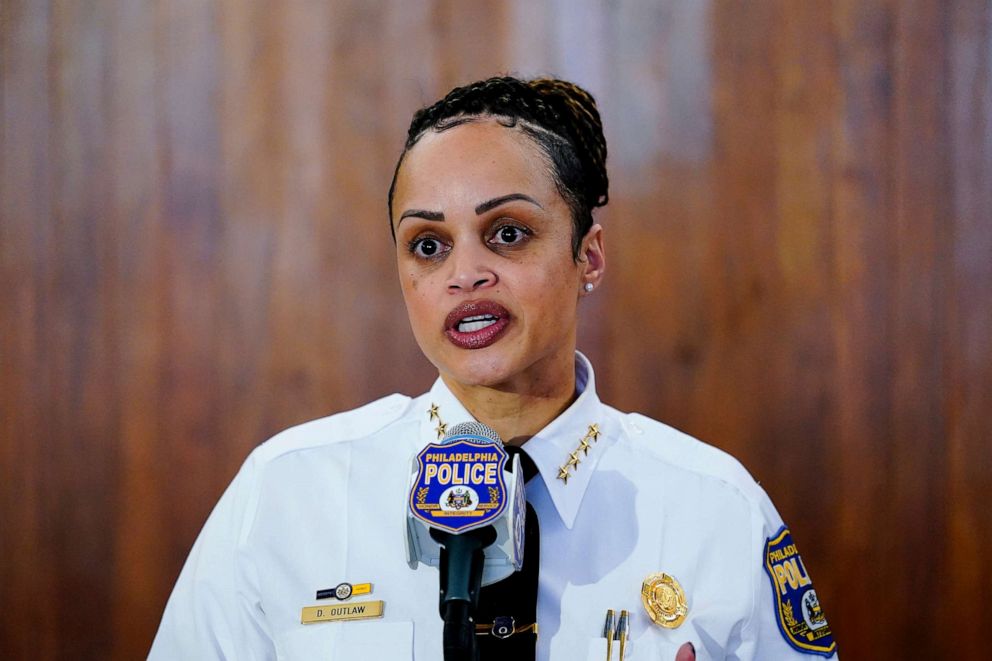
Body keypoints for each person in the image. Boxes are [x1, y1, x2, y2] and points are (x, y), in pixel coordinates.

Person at [149, 76, 837, 660]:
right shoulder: (287, 493)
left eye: (508, 233)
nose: (466, 274)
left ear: (588, 256)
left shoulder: (714, 506)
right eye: (428, 244)